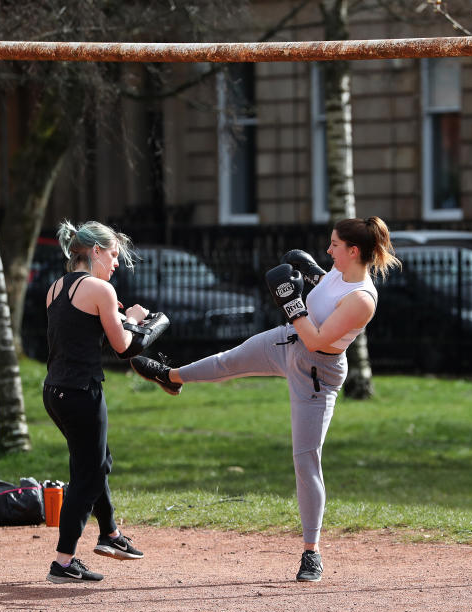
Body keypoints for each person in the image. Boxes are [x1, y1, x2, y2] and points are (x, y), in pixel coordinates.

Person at [130, 216, 400, 583]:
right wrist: (312, 276)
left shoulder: (363, 299)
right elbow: (324, 294)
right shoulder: (338, 272)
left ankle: (311, 553)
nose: (328, 249)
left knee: (306, 461)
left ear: (353, 251)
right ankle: (171, 377)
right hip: (287, 341)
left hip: (316, 373)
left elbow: (318, 339)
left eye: (334, 245)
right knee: (229, 361)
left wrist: (291, 302)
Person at [42, 219, 148, 584]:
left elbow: (83, 339)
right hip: (81, 392)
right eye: (114, 255)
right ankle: (64, 560)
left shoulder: (55, 288)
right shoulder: (99, 289)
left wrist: (113, 317)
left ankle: (111, 535)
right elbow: (123, 348)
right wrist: (133, 319)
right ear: (97, 252)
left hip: (54, 391)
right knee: (89, 473)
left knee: (95, 460)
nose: (116, 262)